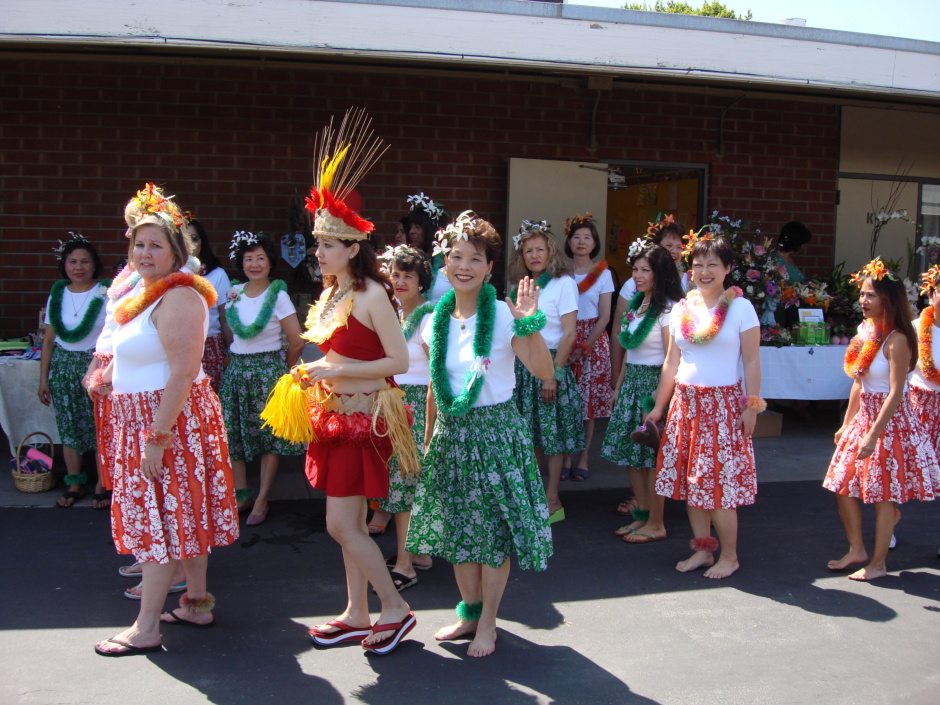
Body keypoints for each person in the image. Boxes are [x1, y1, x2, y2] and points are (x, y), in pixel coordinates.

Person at [264, 111, 420, 655]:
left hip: (363, 419)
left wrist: (336, 370)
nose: (320, 251)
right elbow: (339, 353)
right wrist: (316, 371)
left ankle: (394, 608)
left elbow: (396, 361)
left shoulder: (374, 295)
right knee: (346, 523)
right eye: (318, 243)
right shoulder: (330, 295)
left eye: (329, 244)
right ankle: (357, 612)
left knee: (341, 525)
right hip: (336, 415)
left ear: (354, 247)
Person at [93, 183, 238, 656]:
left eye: (156, 244)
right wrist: (109, 375)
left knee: (162, 520)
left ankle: (146, 627)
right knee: (182, 514)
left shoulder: (180, 296)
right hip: (144, 418)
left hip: (168, 421)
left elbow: (181, 370)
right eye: (139, 244)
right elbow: (141, 350)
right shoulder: (146, 294)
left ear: (178, 251)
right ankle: (196, 603)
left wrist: (155, 438)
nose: (145, 252)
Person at [406, 211, 555, 658]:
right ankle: (468, 613)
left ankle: (488, 622)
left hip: (496, 435)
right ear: (444, 263)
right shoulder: (435, 320)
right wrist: (430, 440)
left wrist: (529, 322)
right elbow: (435, 386)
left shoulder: (506, 318)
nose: (464, 266)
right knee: (458, 531)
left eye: (475, 258)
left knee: (491, 534)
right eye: (456, 257)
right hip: (452, 436)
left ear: (490, 267)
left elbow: (544, 372)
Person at [647, 234, 761, 580]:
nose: (704, 271)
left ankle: (730, 556)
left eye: (713, 264)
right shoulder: (682, 308)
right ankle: (703, 550)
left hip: (724, 405)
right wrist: (657, 408)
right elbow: (671, 363)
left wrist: (751, 406)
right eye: (698, 264)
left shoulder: (741, 308)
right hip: (686, 404)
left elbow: (752, 361)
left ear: (728, 268)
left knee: (719, 486)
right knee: (692, 481)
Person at [823, 259, 939, 581]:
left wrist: (873, 434)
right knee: (841, 484)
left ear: (888, 298)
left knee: (882, 493)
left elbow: (896, 392)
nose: (863, 300)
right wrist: (847, 423)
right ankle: (856, 548)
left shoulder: (898, 339)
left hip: (891, 422)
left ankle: (877, 563)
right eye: (862, 294)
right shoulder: (866, 332)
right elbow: (858, 382)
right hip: (864, 417)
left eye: (870, 294)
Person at [219, 231, 304, 526]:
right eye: (248, 259)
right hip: (237, 371)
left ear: (270, 263)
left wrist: (284, 372)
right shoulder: (233, 293)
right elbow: (231, 335)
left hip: (267, 371)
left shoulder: (277, 296)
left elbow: (296, 340)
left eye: (260, 259)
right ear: (240, 263)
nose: (254, 265)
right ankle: (241, 493)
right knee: (234, 433)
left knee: (269, 439)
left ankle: (262, 498)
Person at [602, 240, 683, 543]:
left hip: (653, 386)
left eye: (645, 270)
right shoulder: (636, 306)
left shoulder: (669, 311)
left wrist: (660, 402)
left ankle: (657, 523)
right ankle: (642, 516)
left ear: (660, 273)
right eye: (635, 269)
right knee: (633, 457)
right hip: (631, 384)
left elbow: (669, 360)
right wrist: (618, 387)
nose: (637, 275)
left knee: (651, 459)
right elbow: (628, 352)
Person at [369, 245, 436, 588]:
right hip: (390, 403)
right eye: (395, 274)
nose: (400, 281)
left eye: (408, 276)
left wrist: (432, 421)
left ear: (422, 282)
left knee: (407, 484)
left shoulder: (428, 317)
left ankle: (406, 564)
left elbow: (437, 373)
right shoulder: (392, 313)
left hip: (415, 407)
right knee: (396, 484)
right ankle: (418, 555)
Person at [509, 219, 582, 523]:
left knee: (552, 438)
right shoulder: (522, 286)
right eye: (529, 251)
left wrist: (553, 376)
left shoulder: (564, 284)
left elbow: (569, 333)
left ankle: (553, 498)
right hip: (524, 368)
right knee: (531, 437)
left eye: (540, 249)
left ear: (550, 252)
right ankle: (534, 495)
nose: (535, 255)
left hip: (551, 366)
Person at [38, 234, 110, 508]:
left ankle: (103, 486)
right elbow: (48, 342)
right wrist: (43, 379)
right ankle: (75, 483)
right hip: (63, 368)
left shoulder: (105, 293)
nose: (78, 267)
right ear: (64, 266)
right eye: (72, 262)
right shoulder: (57, 294)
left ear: (94, 265)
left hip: (95, 366)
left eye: (84, 261)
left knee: (98, 426)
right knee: (69, 427)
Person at [563, 214, 613, 481]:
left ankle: (583, 456)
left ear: (594, 243)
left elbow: (604, 316)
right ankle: (566, 456)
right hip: (565, 336)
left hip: (591, 340)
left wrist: (584, 346)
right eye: (576, 237)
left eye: (587, 237)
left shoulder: (603, 274)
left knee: (587, 406)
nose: (581, 242)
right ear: (569, 242)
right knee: (566, 403)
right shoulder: (559, 271)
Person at [188, 216, 230, 391]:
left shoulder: (217, 274)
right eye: (183, 238)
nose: (189, 243)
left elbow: (225, 318)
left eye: (194, 238)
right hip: (178, 345)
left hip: (211, 346)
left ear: (202, 241)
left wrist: (232, 351)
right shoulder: (169, 274)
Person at [404, 192, 452, 303]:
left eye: (418, 227)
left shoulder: (448, 263)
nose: (411, 231)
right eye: (410, 227)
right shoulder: (408, 261)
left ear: (431, 229)